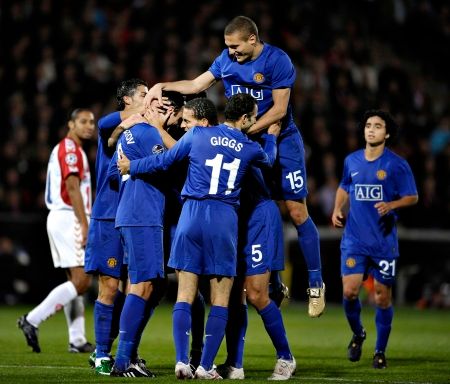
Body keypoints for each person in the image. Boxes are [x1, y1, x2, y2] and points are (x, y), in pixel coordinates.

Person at [145, 15, 325, 317]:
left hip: (281, 139)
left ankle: (316, 282)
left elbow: (280, 110)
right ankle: (275, 282)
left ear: (252, 39)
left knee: (295, 210)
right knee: (256, 206)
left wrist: (246, 131)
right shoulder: (226, 61)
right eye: (227, 46)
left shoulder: (277, 61)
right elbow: (195, 84)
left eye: (235, 46)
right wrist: (162, 85)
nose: (231, 51)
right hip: (248, 139)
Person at [118, 93, 279, 379]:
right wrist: (272, 137)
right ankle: (205, 366)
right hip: (223, 219)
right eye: (253, 118)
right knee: (220, 298)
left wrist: (132, 166)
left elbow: (163, 161)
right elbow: (269, 161)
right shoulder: (248, 146)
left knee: (184, 295)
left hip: (190, 216)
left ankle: (182, 362)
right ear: (243, 120)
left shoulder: (198, 136)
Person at [331, 110, 418, 369]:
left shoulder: (397, 165)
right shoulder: (352, 161)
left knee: (381, 298)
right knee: (348, 292)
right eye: (368, 125)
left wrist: (392, 205)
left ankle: (380, 351)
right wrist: (337, 208)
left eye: (377, 126)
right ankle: (358, 333)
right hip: (354, 241)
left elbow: (412, 196)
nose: (371, 130)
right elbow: (344, 187)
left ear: (387, 133)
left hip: (383, 243)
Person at [84, 78, 149, 375]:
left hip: (134, 217)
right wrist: (133, 118)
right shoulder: (113, 125)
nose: (149, 99)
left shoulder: (145, 132)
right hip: (109, 216)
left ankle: (124, 349)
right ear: (126, 100)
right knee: (109, 287)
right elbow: (103, 122)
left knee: (130, 290)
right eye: (144, 95)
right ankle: (100, 353)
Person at [18, 109, 96, 353]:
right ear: (70, 124)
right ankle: (32, 319)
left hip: (63, 216)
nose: (89, 126)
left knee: (75, 281)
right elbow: (72, 187)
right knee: (83, 281)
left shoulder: (70, 148)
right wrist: (84, 224)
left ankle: (77, 339)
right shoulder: (71, 149)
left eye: (92, 122)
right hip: (69, 216)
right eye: (83, 121)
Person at [218, 163, 296, 380]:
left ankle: (286, 357)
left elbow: (268, 160)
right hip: (235, 218)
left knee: (256, 293)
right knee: (233, 296)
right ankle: (234, 364)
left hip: (258, 217)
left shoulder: (241, 142)